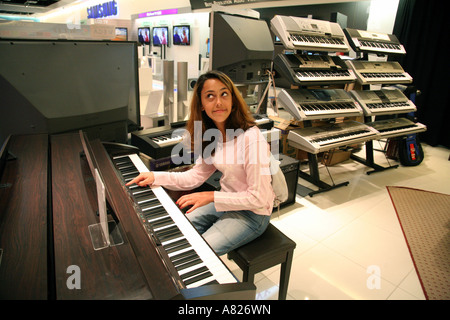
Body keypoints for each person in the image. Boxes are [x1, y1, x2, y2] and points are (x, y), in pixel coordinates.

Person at [126, 70, 274, 256]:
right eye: (210, 96)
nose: (218, 102)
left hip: (253, 213)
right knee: (176, 231)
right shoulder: (212, 136)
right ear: (202, 105)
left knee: (196, 252)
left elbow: (258, 197)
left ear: (233, 100)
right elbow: (195, 176)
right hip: (226, 200)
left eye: (224, 94)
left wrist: (212, 196)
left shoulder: (252, 139)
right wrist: (155, 176)